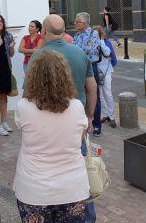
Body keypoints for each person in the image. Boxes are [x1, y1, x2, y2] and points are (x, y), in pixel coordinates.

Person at [29, 14, 97, 223]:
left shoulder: (37, 57)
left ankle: (53, 213)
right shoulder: (79, 53)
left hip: (45, 129)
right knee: (80, 171)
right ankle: (86, 217)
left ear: (45, 32)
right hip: (75, 126)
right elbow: (92, 87)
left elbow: (28, 95)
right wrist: (90, 117)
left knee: (48, 174)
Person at [14, 51, 89, 222]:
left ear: (32, 76)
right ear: (65, 75)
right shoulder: (77, 106)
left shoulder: (23, 107)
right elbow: (79, 136)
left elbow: (21, 127)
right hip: (72, 187)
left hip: (33, 188)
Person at [73, 12, 102, 136]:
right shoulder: (76, 35)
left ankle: (96, 125)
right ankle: (83, 122)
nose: (74, 23)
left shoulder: (94, 33)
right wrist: (82, 47)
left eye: (77, 21)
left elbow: (91, 49)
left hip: (91, 67)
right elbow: (76, 49)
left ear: (84, 23)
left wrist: (78, 48)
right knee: (79, 94)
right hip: (78, 68)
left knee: (94, 95)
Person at [93, 26, 117, 129]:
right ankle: (105, 114)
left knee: (108, 94)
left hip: (106, 71)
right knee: (100, 95)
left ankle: (112, 117)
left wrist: (102, 41)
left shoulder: (105, 42)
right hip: (96, 70)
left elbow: (108, 53)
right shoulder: (92, 43)